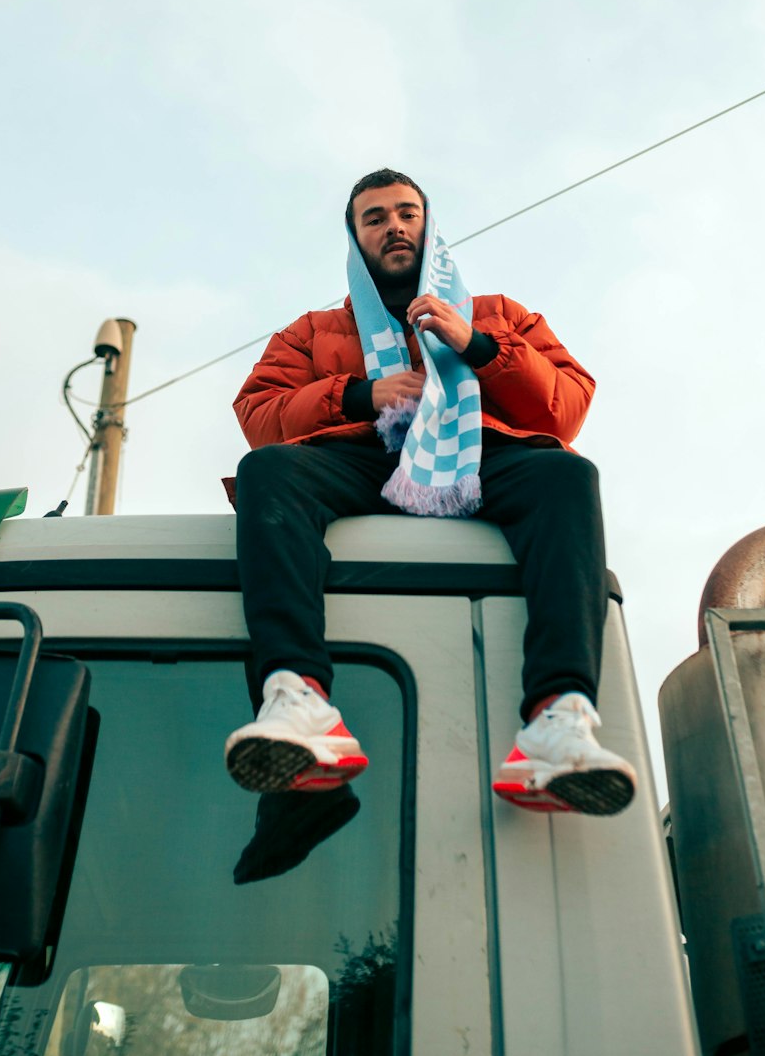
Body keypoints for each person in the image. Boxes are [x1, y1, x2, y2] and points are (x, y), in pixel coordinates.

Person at [223, 168, 636, 816]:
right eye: (376, 217)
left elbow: (564, 407)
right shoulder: (312, 330)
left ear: (429, 224)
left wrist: (475, 344)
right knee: (269, 472)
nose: (394, 226)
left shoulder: (497, 314)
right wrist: (359, 393)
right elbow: (257, 413)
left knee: (567, 475)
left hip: (474, 451)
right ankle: (297, 698)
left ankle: (559, 718)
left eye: (407, 213)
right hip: (365, 457)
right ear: (356, 239)